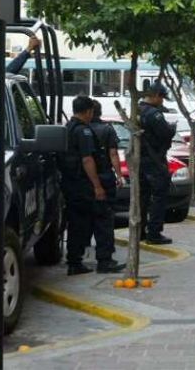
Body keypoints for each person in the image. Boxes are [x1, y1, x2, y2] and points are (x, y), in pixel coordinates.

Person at [61, 96, 126, 275]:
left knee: (77, 224)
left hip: (73, 185)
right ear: (88, 111)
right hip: (87, 185)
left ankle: (74, 262)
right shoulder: (84, 132)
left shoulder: (67, 128)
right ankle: (105, 260)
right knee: (103, 221)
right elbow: (88, 159)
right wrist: (97, 186)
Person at [87, 100, 126, 273]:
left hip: (82, 181)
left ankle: (76, 258)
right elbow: (113, 154)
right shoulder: (107, 130)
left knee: (82, 219)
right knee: (105, 219)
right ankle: (105, 259)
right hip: (103, 178)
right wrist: (119, 175)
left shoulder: (79, 129)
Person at [138, 82, 176, 244]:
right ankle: (154, 232)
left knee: (142, 197)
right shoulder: (154, 114)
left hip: (140, 160)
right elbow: (165, 133)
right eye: (161, 97)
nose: (162, 101)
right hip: (154, 161)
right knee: (159, 196)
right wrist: (172, 129)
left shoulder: (137, 110)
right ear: (155, 95)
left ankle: (139, 230)